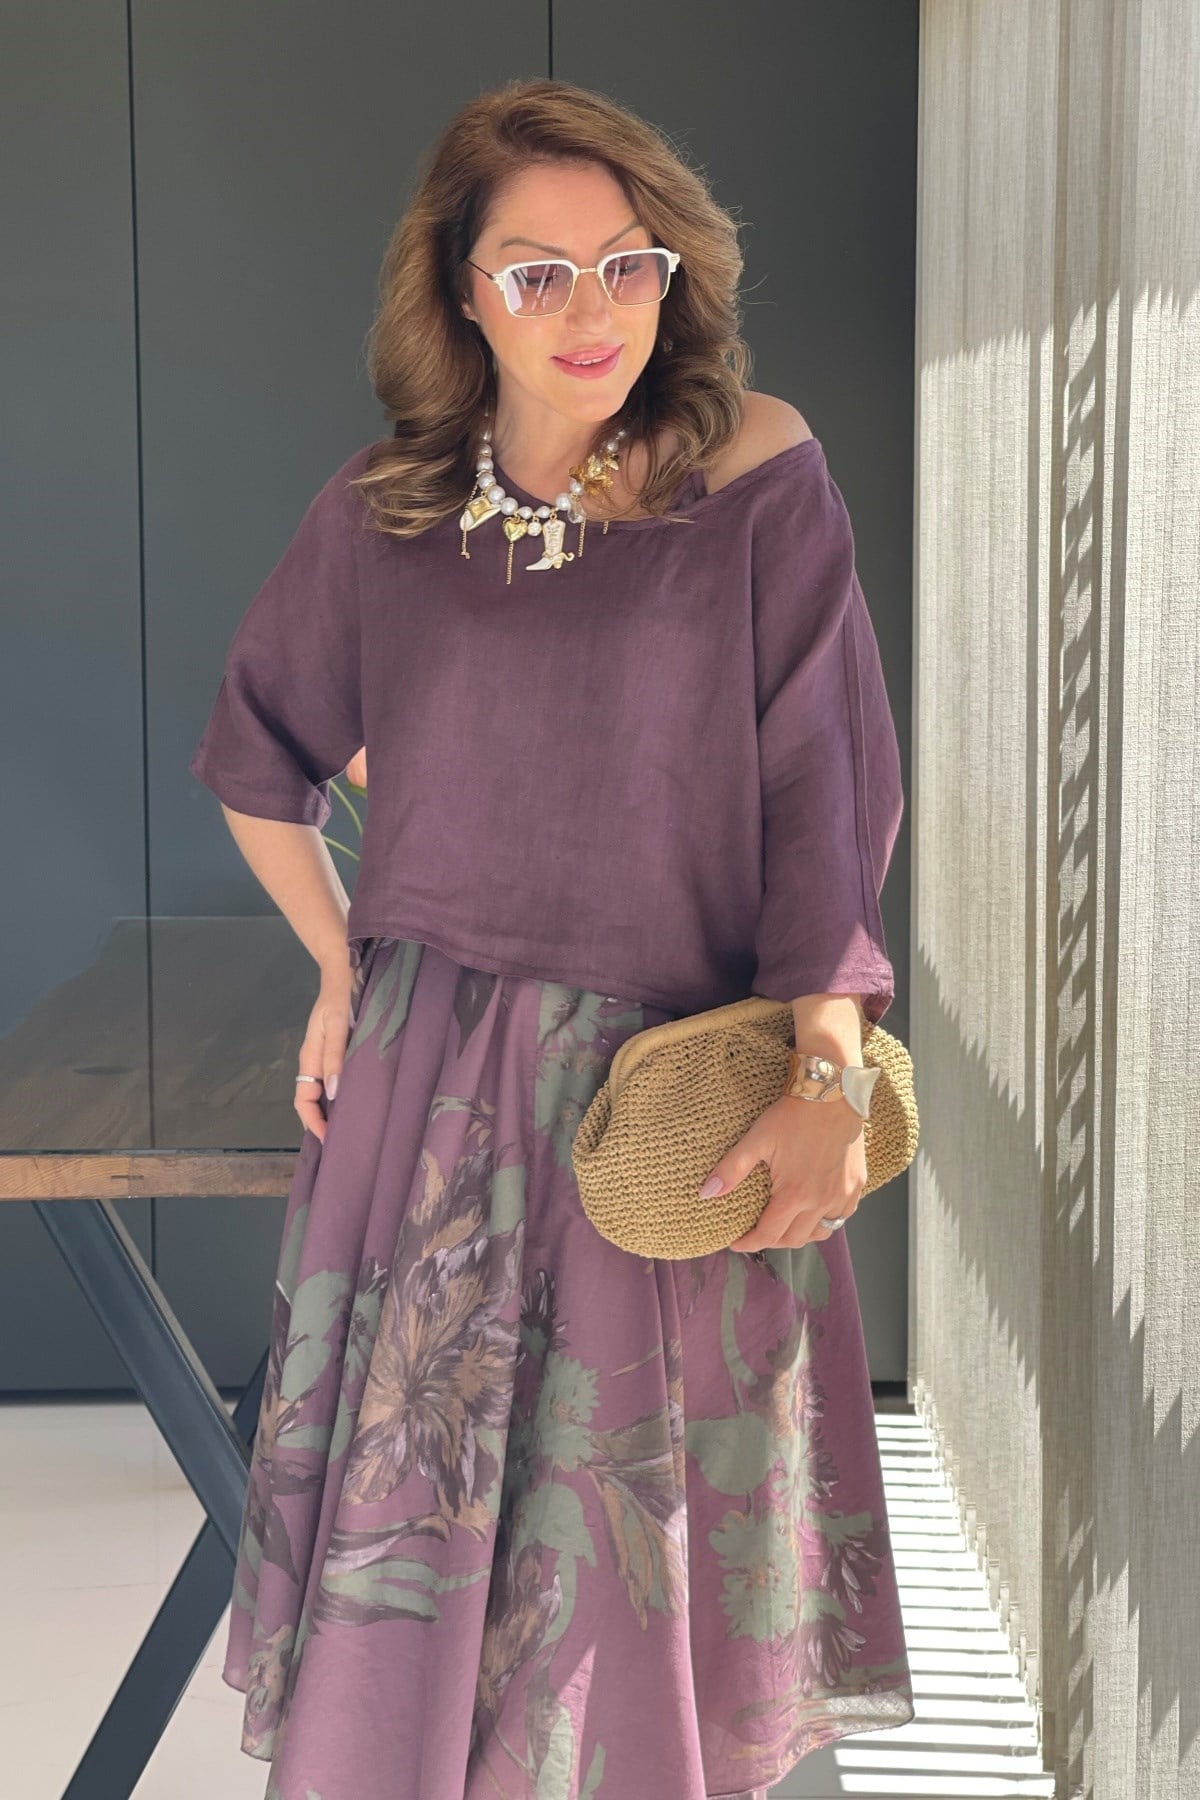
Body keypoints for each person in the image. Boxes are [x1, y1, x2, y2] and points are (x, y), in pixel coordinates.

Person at [189, 76, 915, 1800]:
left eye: (627, 263)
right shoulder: (386, 516)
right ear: (461, 292)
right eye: (538, 271)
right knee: (424, 1572)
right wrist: (340, 969)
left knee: (628, 1581)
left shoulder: (757, 474)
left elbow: (828, 798)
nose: (594, 309)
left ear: (676, 271)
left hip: (668, 1099)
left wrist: (827, 1068)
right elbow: (258, 750)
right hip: (431, 1098)